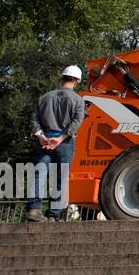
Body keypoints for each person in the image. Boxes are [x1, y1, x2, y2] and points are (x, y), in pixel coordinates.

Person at [25, 65, 85, 223]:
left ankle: (33, 209)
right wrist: (60, 138)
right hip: (63, 143)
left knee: (39, 173)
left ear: (62, 77)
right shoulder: (78, 100)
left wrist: (41, 136)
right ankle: (53, 215)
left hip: (44, 141)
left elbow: (34, 119)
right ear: (77, 80)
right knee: (61, 178)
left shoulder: (44, 97)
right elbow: (76, 122)